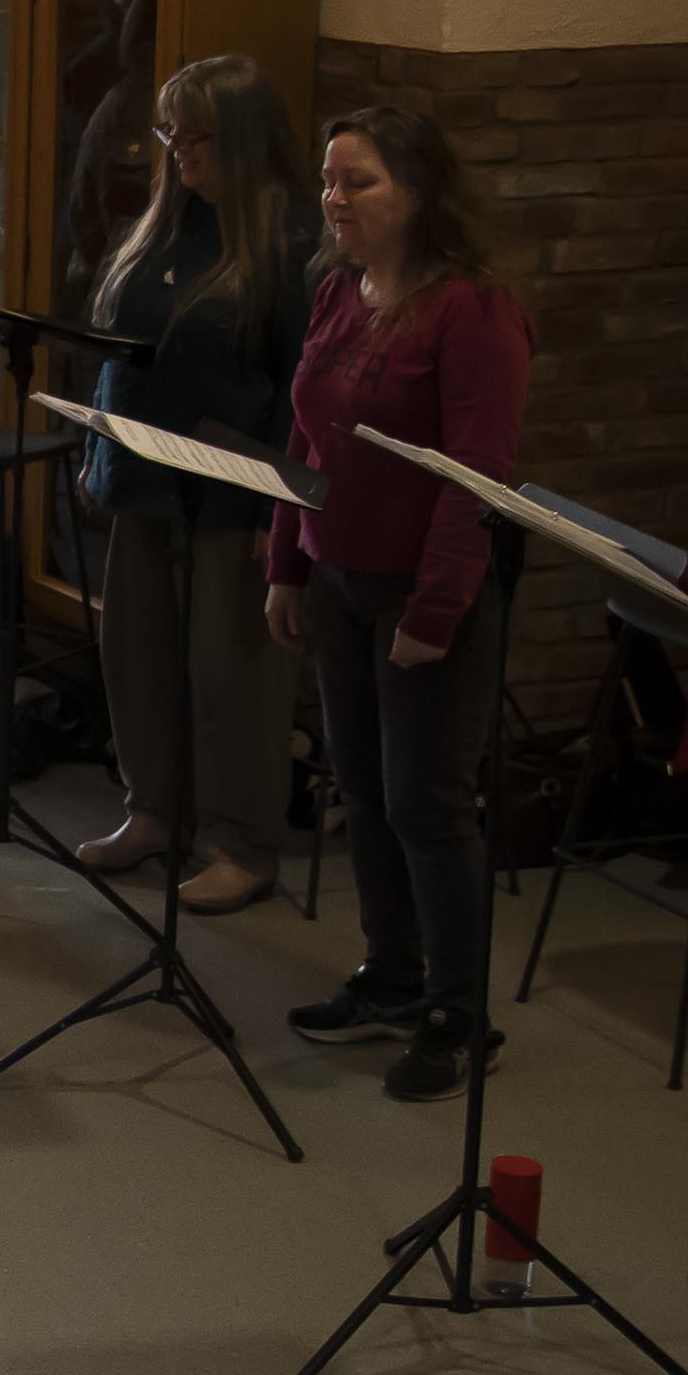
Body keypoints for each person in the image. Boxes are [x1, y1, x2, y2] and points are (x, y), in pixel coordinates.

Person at [260, 104, 535, 1103]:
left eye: (357, 181)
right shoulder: (338, 287)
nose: (333, 199)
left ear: (418, 191)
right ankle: (391, 974)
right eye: (328, 180)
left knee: (425, 801)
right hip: (336, 573)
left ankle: (459, 1014)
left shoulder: (470, 307)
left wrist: (434, 608)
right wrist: (285, 563)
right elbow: (307, 442)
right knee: (361, 789)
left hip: (425, 589)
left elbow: (478, 472)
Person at [73, 57, 314, 914]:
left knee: (230, 669)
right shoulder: (164, 229)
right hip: (144, 475)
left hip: (235, 491)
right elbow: (123, 349)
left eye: (196, 135)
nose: (178, 152)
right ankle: (153, 809)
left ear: (245, 139)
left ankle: (243, 842)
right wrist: (100, 455)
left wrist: (278, 508)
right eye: (170, 133)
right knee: (136, 650)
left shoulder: (292, 247)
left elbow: (301, 387)